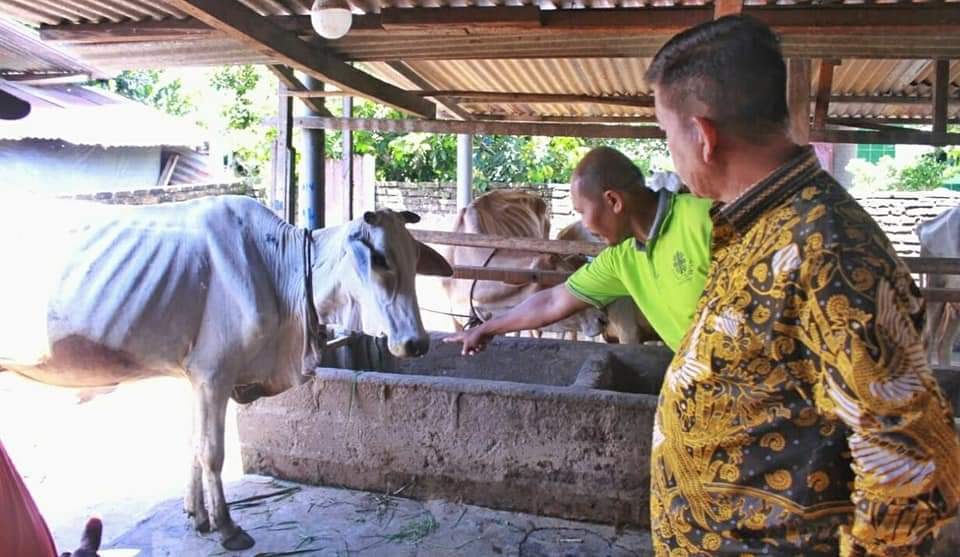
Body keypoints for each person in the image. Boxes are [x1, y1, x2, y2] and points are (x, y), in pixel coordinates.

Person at [644, 15, 960, 556]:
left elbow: (913, 469)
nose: (668, 151)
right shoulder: (755, 225)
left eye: (666, 133)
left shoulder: (830, 248)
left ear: (702, 135)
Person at [445, 146, 713, 354]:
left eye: (583, 212)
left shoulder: (705, 219)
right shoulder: (621, 259)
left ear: (613, 201)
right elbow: (552, 301)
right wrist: (486, 330)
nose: (583, 224)